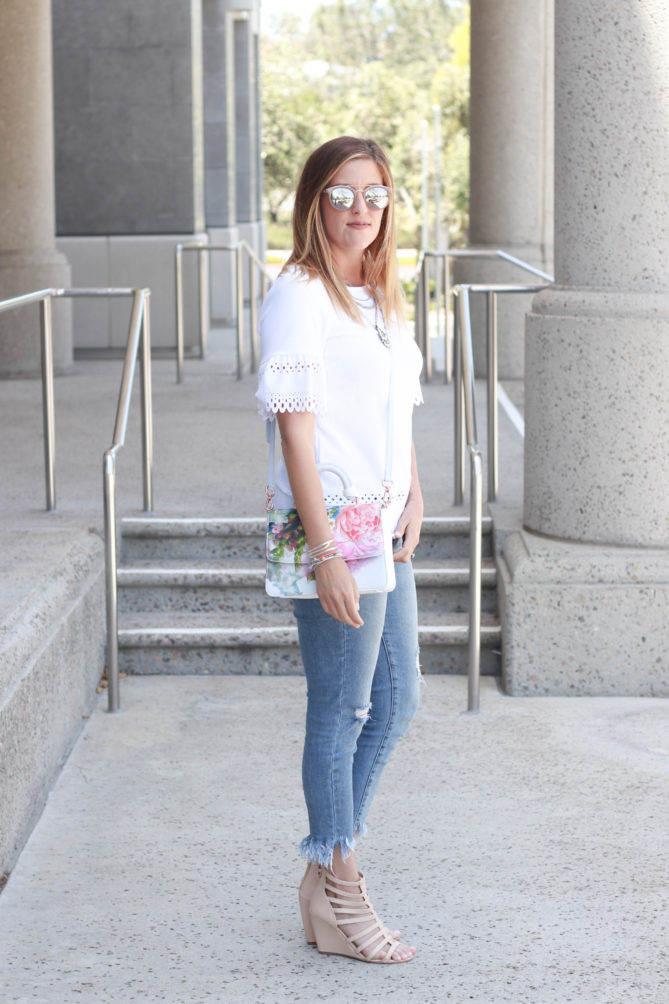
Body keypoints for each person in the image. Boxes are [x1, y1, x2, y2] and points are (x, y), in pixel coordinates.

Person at [256, 136, 423, 964]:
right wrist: (323, 553)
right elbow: (296, 427)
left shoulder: (381, 292)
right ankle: (343, 886)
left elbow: (395, 409)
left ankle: (323, 873)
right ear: (313, 201)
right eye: (342, 194)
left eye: (375, 194)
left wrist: (415, 488)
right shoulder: (299, 293)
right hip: (333, 532)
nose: (361, 210)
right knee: (343, 708)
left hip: (384, 525)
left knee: (397, 704)